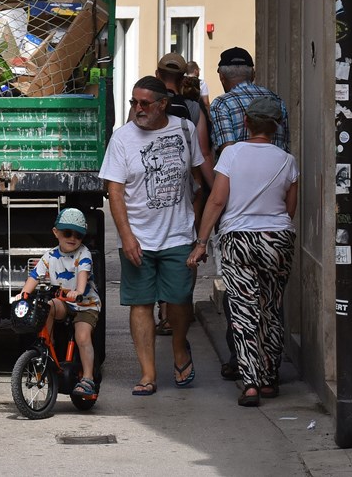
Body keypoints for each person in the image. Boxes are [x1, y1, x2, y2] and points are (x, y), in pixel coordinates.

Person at [187, 97, 298, 407]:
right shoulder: (287, 160)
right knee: (271, 306)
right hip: (277, 238)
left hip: (239, 239)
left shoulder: (232, 154)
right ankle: (269, 378)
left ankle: (250, 382)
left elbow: (218, 200)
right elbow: (289, 210)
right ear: (275, 127)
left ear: (246, 123)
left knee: (244, 309)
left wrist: (202, 242)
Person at [100, 76, 204, 396]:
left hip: (178, 234)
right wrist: (127, 236)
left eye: (145, 103)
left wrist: (198, 229)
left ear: (162, 104)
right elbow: (114, 192)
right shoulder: (122, 140)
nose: (138, 109)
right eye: (134, 102)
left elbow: (200, 181)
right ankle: (147, 373)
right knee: (141, 304)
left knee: (180, 301)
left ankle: (179, 348)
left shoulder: (185, 131)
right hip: (138, 237)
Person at [208, 46, 291, 381]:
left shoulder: (223, 104)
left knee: (241, 302)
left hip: (237, 220)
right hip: (275, 223)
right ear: (253, 73)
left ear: (223, 76)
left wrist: (205, 235)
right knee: (271, 304)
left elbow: (226, 158)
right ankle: (270, 372)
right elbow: (289, 188)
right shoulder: (278, 101)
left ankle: (245, 370)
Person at [153, 53, 214, 337]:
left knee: (157, 245)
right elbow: (201, 153)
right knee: (185, 246)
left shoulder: (148, 103)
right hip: (187, 188)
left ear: (157, 73)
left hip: (155, 186)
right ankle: (182, 308)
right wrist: (212, 187)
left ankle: (165, 313)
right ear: (182, 77)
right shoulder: (193, 108)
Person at [16, 208, 102, 396]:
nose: (73, 238)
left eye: (78, 235)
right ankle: (47, 343)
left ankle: (88, 379)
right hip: (64, 302)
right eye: (67, 233)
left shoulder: (83, 254)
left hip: (86, 304)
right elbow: (34, 276)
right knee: (47, 306)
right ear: (56, 232)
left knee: (82, 337)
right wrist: (23, 294)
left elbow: (82, 274)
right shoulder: (50, 256)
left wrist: (78, 291)